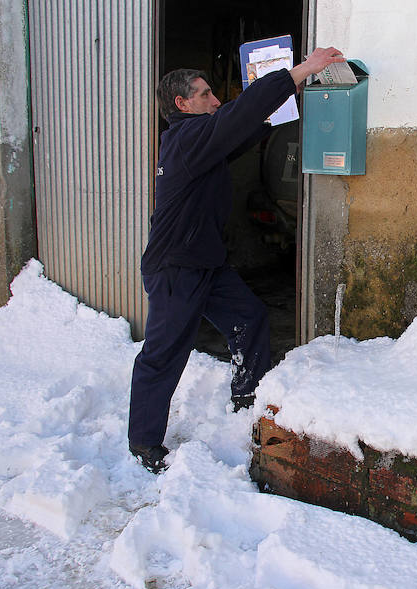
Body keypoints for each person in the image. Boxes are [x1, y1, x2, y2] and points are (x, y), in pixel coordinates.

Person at [128, 47, 346, 474]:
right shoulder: (188, 138)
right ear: (182, 104)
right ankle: (144, 441)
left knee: (249, 318)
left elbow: (240, 129)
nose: (215, 101)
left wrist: (272, 118)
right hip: (176, 269)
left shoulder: (199, 142)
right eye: (207, 94)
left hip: (205, 263)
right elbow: (237, 114)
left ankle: (247, 395)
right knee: (163, 354)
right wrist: (302, 70)